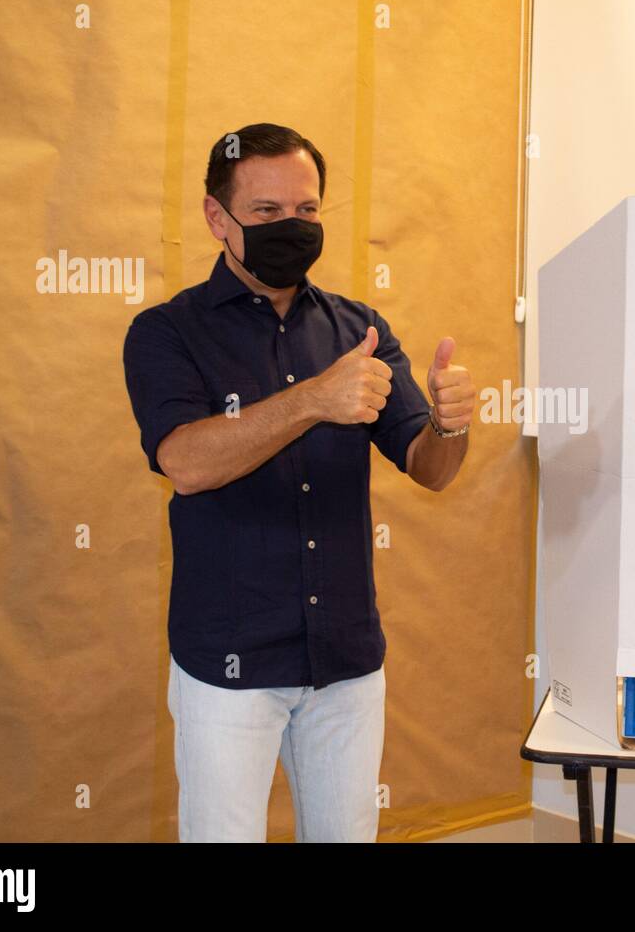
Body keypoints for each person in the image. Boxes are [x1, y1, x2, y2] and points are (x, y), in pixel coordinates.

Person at [121, 122, 475, 841]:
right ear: (217, 218)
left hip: (345, 664)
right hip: (227, 663)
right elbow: (185, 463)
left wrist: (450, 424)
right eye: (268, 213)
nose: (293, 226)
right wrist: (314, 399)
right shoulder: (166, 332)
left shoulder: (360, 330)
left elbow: (428, 468)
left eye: (308, 211)